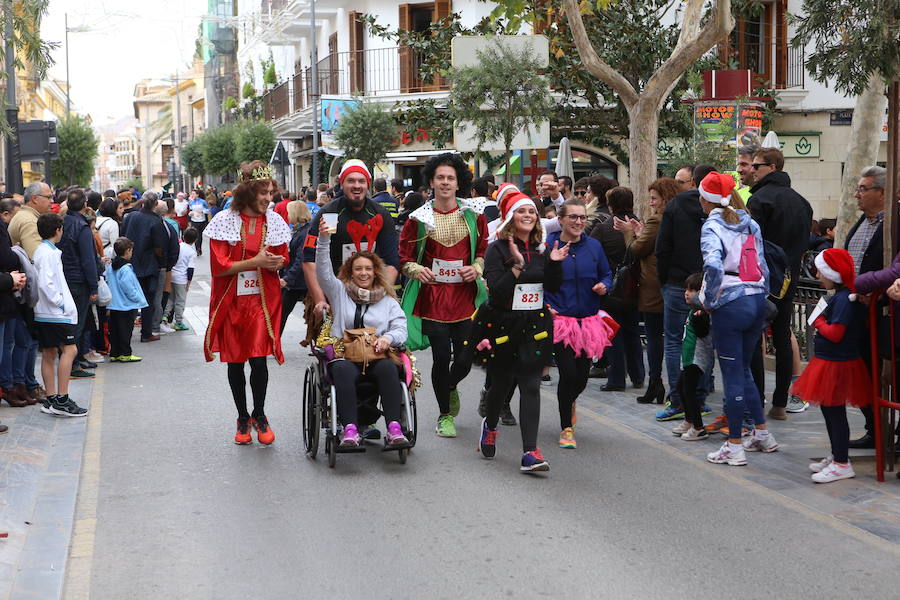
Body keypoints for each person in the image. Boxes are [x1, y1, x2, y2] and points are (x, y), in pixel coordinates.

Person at [473, 186, 567, 473]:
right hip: (503, 323)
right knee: (500, 385)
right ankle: (489, 426)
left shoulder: (542, 247)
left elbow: (551, 287)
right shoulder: (496, 249)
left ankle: (530, 451)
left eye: (531, 211)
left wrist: (553, 264)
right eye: (521, 211)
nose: (527, 215)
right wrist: (516, 268)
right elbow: (497, 295)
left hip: (535, 325)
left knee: (530, 385)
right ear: (510, 217)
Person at [399, 152, 487, 438]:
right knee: (439, 357)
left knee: (464, 357)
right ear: (432, 182)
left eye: (451, 178)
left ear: (459, 181)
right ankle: (444, 415)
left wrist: (476, 267)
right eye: (441, 178)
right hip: (433, 299)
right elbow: (405, 256)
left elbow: (484, 250)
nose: (446, 183)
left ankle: (450, 386)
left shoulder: (474, 215)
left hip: (464, 299)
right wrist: (416, 270)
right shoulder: (418, 218)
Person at [203, 161, 290, 446]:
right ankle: (242, 416)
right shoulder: (225, 221)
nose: (268, 198)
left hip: (262, 303)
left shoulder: (275, 221)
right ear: (247, 192)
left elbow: (281, 256)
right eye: (262, 193)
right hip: (231, 302)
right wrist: (256, 261)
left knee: (258, 359)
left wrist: (277, 262)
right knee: (236, 362)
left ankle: (260, 414)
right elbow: (219, 266)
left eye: (270, 192)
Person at [696, 172, 777, 467]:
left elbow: (713, 265)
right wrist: (760, 293)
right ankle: (762, 433)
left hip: (731, 302)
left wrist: (710, 299)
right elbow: (763, 265)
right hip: (756, 298)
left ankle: (733, 445)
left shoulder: (712, 225)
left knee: (732, 373)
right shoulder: (750, 222)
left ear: (706, 198)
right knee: (743, 369)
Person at [315, 219, 409, 447]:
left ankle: (394, 428)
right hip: (346, 354)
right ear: (350, 272)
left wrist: (388, 338)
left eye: (368, 268)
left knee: (389, 368)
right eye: (358, 269)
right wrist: (324, 239)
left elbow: (401, 328)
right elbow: (324, 271)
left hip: (377, 354)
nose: (363, 273)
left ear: (376, 272)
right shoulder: (339, 292)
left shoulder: (387, 301)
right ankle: (350, 429)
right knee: (343, 370)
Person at [791, 248, 871, 482]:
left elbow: (836, 333)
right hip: (832, 362)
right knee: (830, 410)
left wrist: (819, 322)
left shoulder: (846, 300)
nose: (817, 276)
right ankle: (838, 454)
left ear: (832, 273)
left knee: (835, 412)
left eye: (821, 272)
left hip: (837, 363)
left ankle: (841, 463)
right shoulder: (843, 297)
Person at [746, 147, 813, 419]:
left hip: (762, 279)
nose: (752, 170)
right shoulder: (802, 203)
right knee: (783, 337)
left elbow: (750, 244)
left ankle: (757, 398)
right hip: (790, 279)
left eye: (756, 165)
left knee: (754, 338)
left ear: (771, 167)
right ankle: (780, 402)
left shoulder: (760, 200)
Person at [545, 198, 615, 449]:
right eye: (573, 217)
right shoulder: (549, 244)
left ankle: (570, 400)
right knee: (567, 373)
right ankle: (566, 428)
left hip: (588, 321)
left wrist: (604, 285)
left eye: (582, 217)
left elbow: (607, 273)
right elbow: (539, 278)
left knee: (582, 377)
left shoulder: (594, 246)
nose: (578, 222)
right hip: (561, 321)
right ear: (560, 219)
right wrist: (545, 304)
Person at [302, 159, 399, 335]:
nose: (356, 186)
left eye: (361, 181)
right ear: (342, 183)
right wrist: (320, 300)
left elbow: (392, 262)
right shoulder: (330, 214)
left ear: (368, 185)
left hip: (371, 291)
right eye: (351, 181)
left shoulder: (380, 214)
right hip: (334, 292)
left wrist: (380, 296)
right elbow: (309, 260)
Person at [654, 163, 716, 420]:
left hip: (678, 282)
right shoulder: (723, 208)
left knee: (674, 341)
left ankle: (679, 400)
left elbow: (663, 247)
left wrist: (665, 279)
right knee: (704, 342)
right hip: (707, 283)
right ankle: (698, 397)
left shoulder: (676, 206)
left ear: (693, 181)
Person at [615, 177, 681, 404]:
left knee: (655, 337)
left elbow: (636, 249)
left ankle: (656, 384)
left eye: (654, 198)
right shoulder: (677, 218)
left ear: (665, 198)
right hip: (671, 283)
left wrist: (628, 233)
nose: (651, 203)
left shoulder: (659, 220)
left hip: (653, 285)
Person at [32, 213, 88, 417]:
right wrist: (61, 303)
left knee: (49, 353)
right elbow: (46, 283)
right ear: (58, 230)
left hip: (44, 312)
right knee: (70, 350)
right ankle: (62, 399)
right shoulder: (49, 253)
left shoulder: (42, 251)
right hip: (55, 312)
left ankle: (51, 398)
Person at [591, 186, 644, 391]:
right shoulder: (640, 225)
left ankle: (616, 379)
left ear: (611, 205)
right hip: (635, 288)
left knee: (612, 333)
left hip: (611, 288)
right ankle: (638, 376)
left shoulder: (603, 228)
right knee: (632, 333)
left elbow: (593, 255)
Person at [58, 189, 100, 378]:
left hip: (67, 276)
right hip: (78, 280)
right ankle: (73, 364)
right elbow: (88, 259)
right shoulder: (81, 226)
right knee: (78, 322)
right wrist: (93, 285)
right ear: (85, 205)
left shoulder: (64, 222)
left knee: (78, 321)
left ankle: (78, 357)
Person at [669, 273, 716, 441]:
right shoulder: (693, 311)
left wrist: (700, 317)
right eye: (686, 290)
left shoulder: (702, 314)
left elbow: (703, 332)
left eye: (692, 290)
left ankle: (698, 427)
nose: (687, 293)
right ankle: (689, 420)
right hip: (688, 358)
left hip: (697, 359)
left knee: (690, 392)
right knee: (681, 388)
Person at [121, 193, 168, 344]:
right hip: (148, 265)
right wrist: (161, 261)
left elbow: (123, 236)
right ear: (155, 206)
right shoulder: (156, 221)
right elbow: (159, 247)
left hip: (129, 262)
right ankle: (146, 332)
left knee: (129, 298)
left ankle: (125, 334)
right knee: (148, 300)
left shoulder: (131, 217)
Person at [105, 237, 147, 362]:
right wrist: (138, 298)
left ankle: (115, 353)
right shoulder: (126, 269)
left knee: (115, 330)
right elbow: (128, 288)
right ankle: (125, 353)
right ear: (128, 251)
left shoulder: (112, 266)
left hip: (114, 304)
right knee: (126, 330)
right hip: (126, 304)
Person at [278, 201, 312, 334]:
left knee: (281, 313)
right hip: (299, 279)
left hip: (298, 281)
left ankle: (273, 344)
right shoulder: (301, 230)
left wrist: (287, 278)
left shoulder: (304, 232)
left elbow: (301, 258)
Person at [163, 227, 198, 332]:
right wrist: (188, 283)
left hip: (171, 275)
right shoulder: (192, 252)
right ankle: (178, 322)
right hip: (181, 279)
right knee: (180, 301)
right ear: (195, 240)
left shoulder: (178, 246)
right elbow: (190, 269)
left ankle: (165, 316)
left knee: (170, 298)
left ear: (183, 237)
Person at [188, 190, 210, 255]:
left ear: (197, 195)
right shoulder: (191, 202)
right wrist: (190, 214)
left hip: (202, 220)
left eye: (193, 194)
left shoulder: (203, 202)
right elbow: (190, 211)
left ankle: (199, 248)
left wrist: (202, 211)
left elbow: (208, 210)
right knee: (195, 235)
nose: (192, 195)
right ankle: (197, 249)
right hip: (194, 220)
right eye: (191, 194)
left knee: (200, 235)